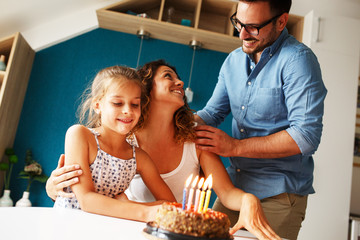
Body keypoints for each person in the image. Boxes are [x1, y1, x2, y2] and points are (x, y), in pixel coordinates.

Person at [46, 60, 280, 240]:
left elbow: (215, 196)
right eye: (168, 76)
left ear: (139, 101)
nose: (180, 83)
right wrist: (53, 186)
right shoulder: (114, 135)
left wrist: (249, 200)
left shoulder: (180, 145)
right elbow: (84, 194)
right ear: (147, 89)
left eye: (133, 104)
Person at [193, 0, 327, 240]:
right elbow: (213, 113)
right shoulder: (233, 61)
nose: (242, 34)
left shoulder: (299, 61)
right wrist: (180, 122)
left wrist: (234, 147)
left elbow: (306, 137)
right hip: (235, 190)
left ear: (281, 21)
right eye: (239, 23)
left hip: (278, 195)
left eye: (253, 27)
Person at [53, 65, 176, 222]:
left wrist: (130, 204)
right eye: (118, 103)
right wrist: (145, 213)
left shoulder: (139, 157)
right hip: (67, 227)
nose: (128, 111)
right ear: (98, 105)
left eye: (135, 104)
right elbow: (86, 200)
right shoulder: (80, 135)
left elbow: (171, 204)